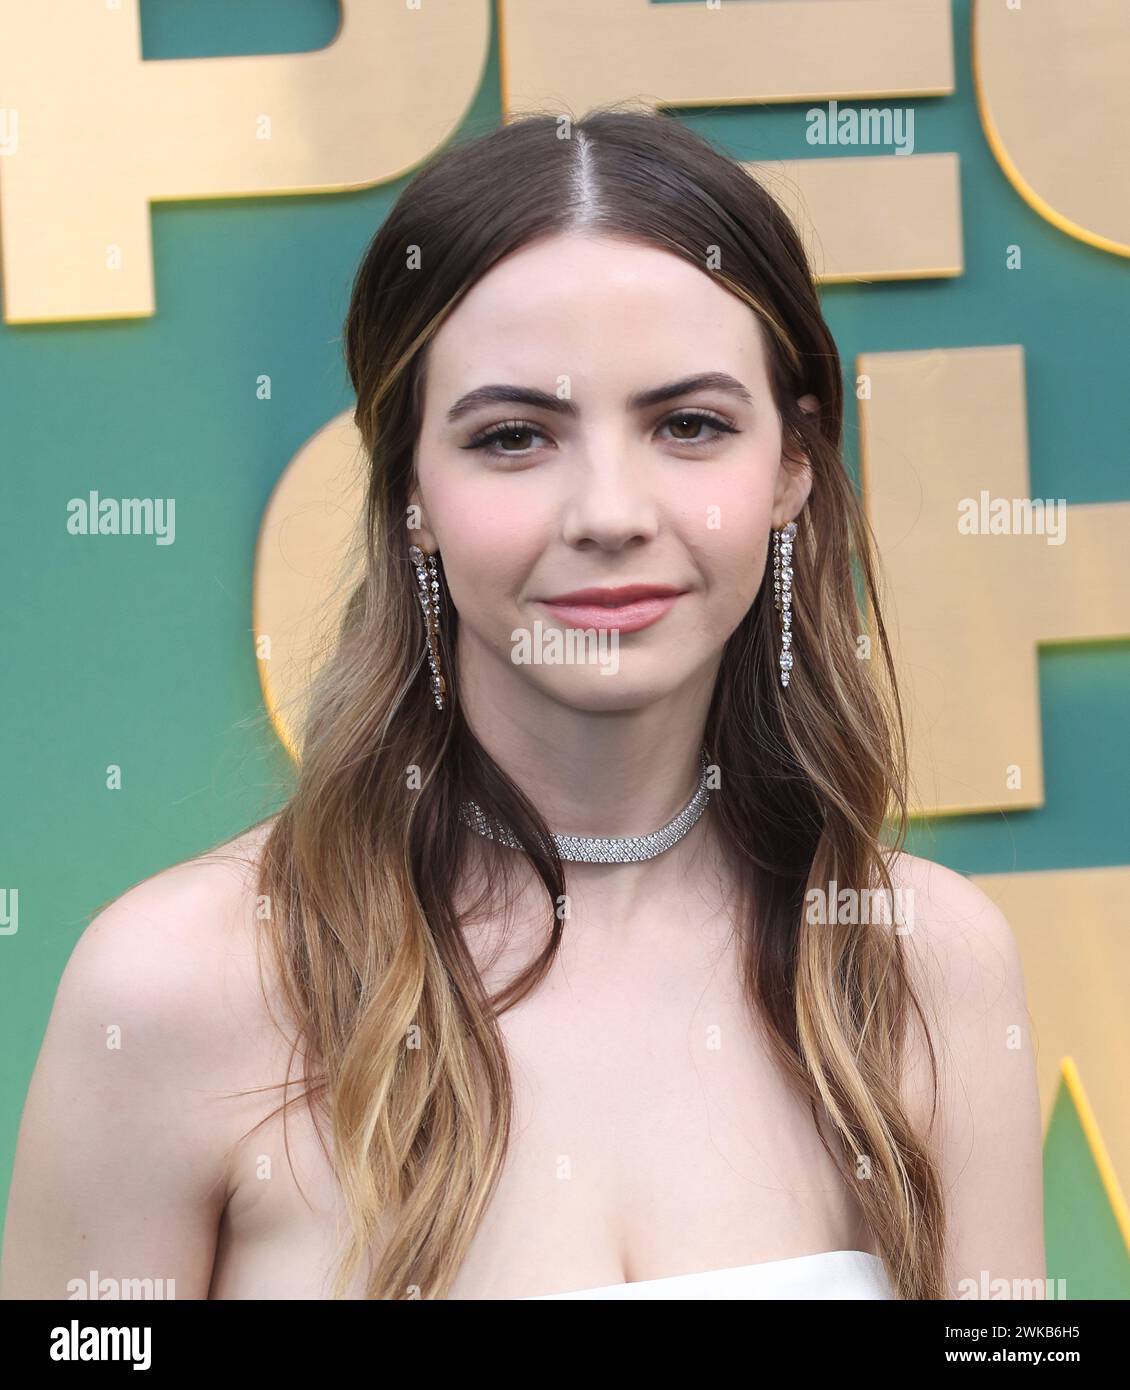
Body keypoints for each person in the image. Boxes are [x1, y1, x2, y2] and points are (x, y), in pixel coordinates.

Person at [0, 108, 1045, 1301]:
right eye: (512, 436)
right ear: (408, 494)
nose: (608, 510)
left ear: (790, 469)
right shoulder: (170, 986)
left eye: (688, 425)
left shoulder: (927, 964)